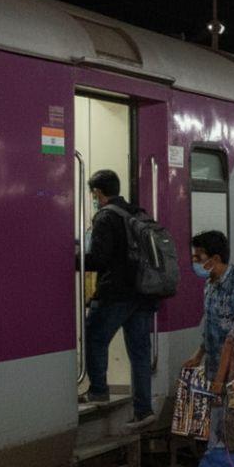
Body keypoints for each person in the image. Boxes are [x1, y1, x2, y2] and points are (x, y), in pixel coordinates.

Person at [79, 169, 158, 430]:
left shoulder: (105, 217)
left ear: (98, 193)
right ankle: (143, 409)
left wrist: (74, 258)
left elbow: (99, 259)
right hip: (143, 292)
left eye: (93, 193)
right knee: (139, 352)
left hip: (115, 292)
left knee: (94, 336)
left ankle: (99, 389)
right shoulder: (137, 212)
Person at [184, 230, 234, 446]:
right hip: (214, 367)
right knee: (217, 420)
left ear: (214, 258)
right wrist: (198, 355)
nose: (195, 261)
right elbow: (210, 324)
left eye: (198, 257)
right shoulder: (209, 285)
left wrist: (228, 370)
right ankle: (217, 458)